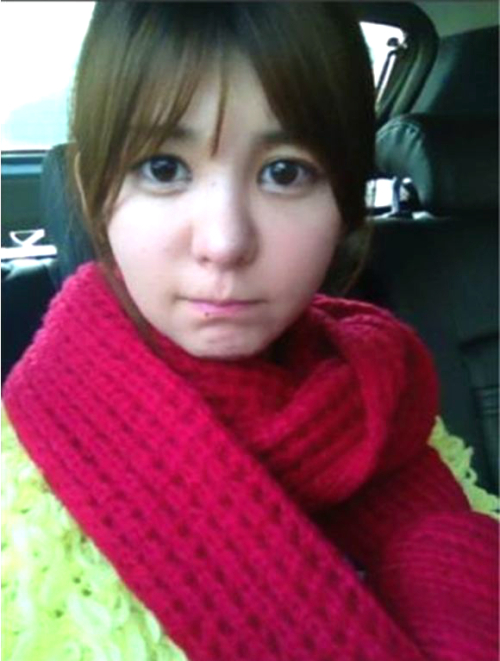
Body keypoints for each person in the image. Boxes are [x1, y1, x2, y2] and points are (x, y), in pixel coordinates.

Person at [2, 3, 498, 661]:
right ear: (96, 193)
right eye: (164, 168)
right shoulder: (16, 489)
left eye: (284, 171)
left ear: (346, 205)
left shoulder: (392, 406)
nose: (226, 241)